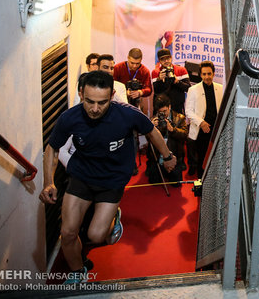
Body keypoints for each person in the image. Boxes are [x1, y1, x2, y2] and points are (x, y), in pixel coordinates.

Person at [39, 71, 176, 284]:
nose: (95, 109)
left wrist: (167, 156)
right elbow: (52, 148)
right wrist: (49, 181)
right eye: (89, 101)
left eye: (102, 103)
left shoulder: (128, 114)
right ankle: (78, 272)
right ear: (81, 93)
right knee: (67, 233)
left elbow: (151, 132)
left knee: (95, 236)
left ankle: (114, 217)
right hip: (82, 176)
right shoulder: (70, 117)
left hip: (112, 181)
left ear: (112, 95)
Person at [185, 61, 223, 177]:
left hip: (216, 130)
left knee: (215, 158)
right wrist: (201, 123)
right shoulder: (193, 89)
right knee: (202, 158)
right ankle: (201, 185)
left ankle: (214, 181)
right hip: (201, 130)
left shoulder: (220, 88)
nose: (207, 77)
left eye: (209, 74)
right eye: (204, 74)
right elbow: (188, 111)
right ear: (200, 75)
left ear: (213, 73)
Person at [146, 94, 189, 186]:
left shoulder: (179, 118)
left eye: (165, 111)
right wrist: (150, 129)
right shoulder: (153, 119)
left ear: (169, 106)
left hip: (174, 156)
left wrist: (173, 130)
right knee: (154, 183)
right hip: (157, 157)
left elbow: (185, 135)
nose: (163, 114)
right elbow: (148, 139)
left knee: (176, 184)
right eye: (160, 112)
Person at [151, 48, 191, 115]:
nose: (166, 61)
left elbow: (188, 88)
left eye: (168, 58)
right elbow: (156, 91)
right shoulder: (156, 72)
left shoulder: (181, 70)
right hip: (161, 107)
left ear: (171, 57)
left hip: (177, 106)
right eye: (163, 59)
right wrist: (159, 80)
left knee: (179, 124)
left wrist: (177, 82)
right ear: (159, 60)